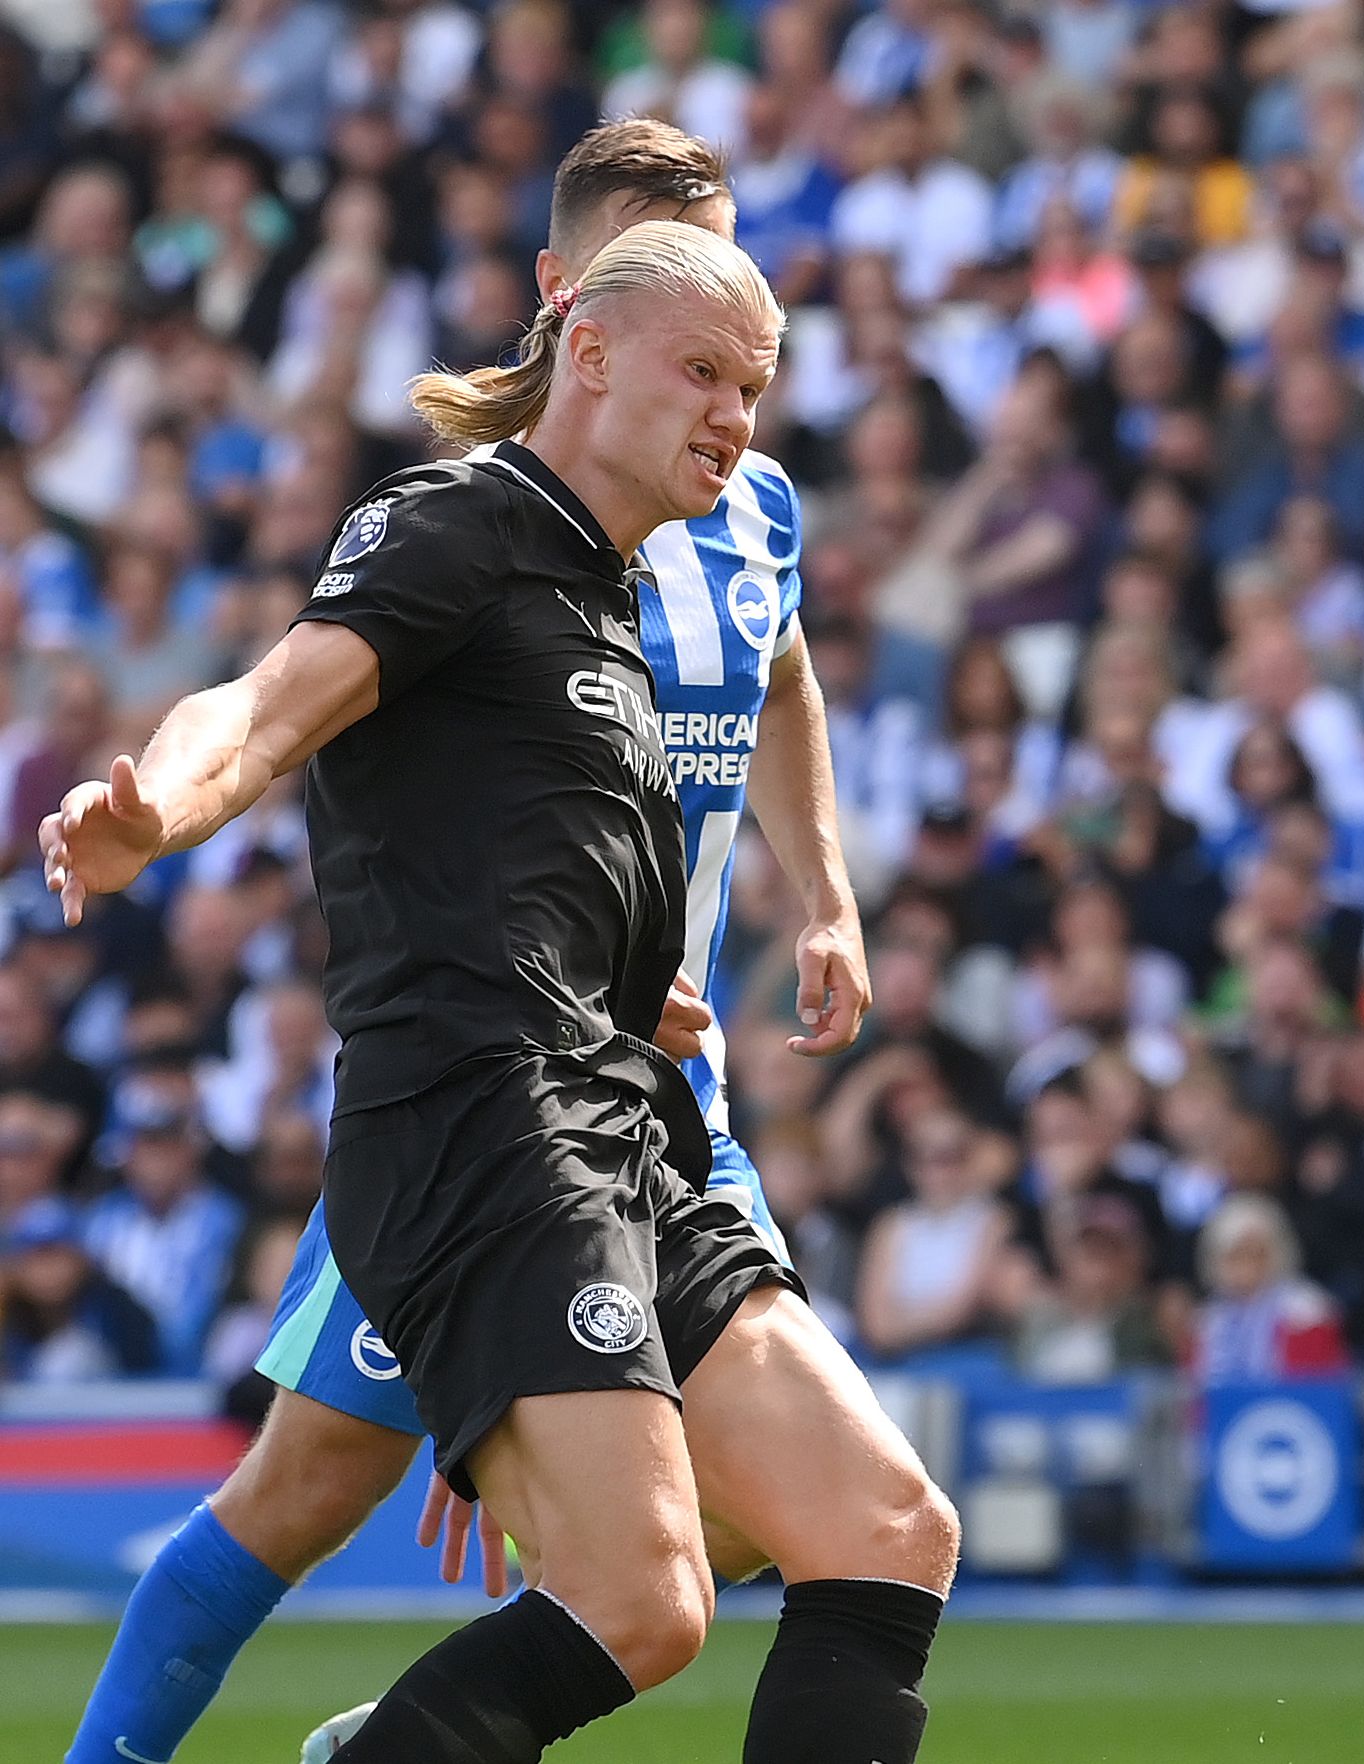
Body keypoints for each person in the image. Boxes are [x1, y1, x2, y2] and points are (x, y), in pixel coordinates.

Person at [41, 215, 956, 1764]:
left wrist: (644, 979)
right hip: (485, 1129)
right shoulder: (458, 523)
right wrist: (155, 814)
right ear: (587, 351)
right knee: (638, 1602)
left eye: (755, 387)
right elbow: (260, 707)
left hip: (627, 1123)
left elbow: (541, 850)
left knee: (887, 1530)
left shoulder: (613, 595)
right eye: (705, 373)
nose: (736, 416)